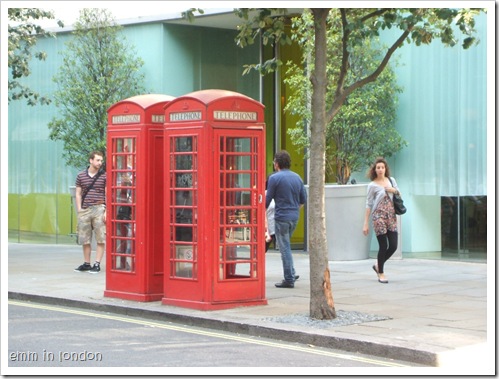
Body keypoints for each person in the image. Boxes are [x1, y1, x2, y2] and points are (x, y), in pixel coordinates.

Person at [266, 150, 307, 288]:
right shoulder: (297, 177)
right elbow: (303, 199)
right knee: (287, 246)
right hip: (294, 217)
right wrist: (294, 210)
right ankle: (292, 272)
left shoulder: (274, 178)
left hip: (281, 217)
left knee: (285, 249)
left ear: (277, 164)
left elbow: (267, 201)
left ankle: (289, 279)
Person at [363, 157, 400, 284]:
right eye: (378, 168)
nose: (380, 170)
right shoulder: (372, 185)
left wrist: (393, 190)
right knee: (383, 245)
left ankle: (378, 264)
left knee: (394, 245)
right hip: (378, 216)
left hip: (391, 216)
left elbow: (399, 193)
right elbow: (368, 204)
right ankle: (381, 273)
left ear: (385, 169)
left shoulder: (391, 180)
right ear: (375, 170)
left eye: (382, 167)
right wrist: (365, 223)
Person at [74, 151, 107, 274]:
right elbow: (78, 193)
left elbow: (107, 193)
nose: (100, 163)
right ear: (91, 160)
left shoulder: (104, 176)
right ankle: (87, 263)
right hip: (85, 209)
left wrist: (106, 211)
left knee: (100, 237)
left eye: (101, 160)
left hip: (99, 208)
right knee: (85, 239)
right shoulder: (81, 175)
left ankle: (97, 263)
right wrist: (79, 209)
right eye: (98, 160)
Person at [265, 177, 276, 252]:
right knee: (262, 250)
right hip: (267, 228)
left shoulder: (278, 193)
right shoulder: (265, 193)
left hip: (277, 227)